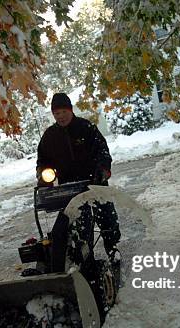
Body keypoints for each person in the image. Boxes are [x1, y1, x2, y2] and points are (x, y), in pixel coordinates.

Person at [36, 93, 121, 268]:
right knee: (80, 227)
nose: (60, 116)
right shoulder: (49, 137)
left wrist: (103, 170)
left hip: (94, 183)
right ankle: (86, 259)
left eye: (63, 112)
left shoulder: (86, 127)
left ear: (70, 110)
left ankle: (112, 249)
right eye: (56, 113)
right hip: (70, 189)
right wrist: (44, 175)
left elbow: (102, 151)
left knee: (106, 219)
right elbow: (43, 161)